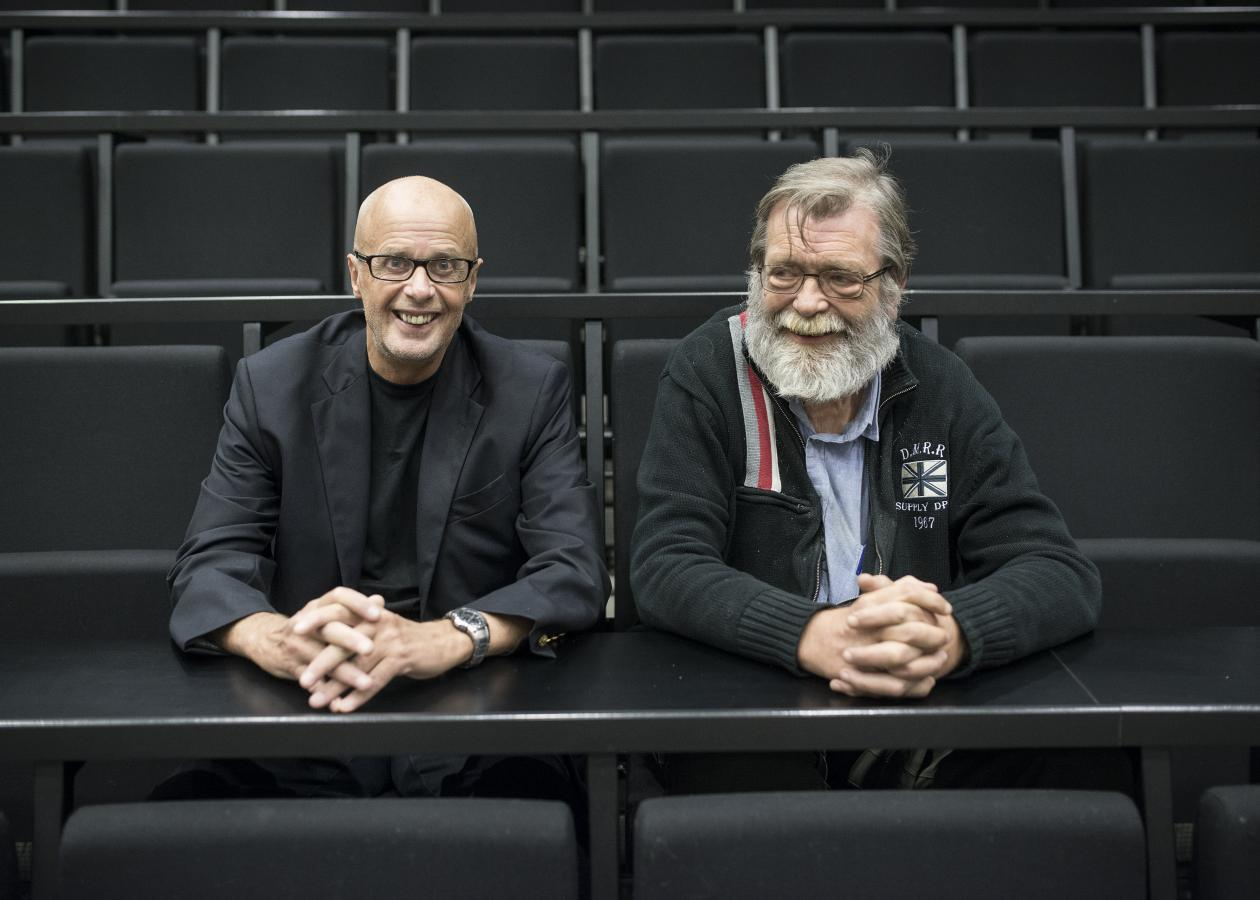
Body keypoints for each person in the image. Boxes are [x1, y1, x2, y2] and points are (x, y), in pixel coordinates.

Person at [630, 152, 1114, 791]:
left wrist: (951, 633)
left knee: (1084, 760)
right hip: (754, 702)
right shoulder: (707, 372)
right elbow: (665, 567)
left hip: (912, 707)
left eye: (840, 279)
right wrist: (812, 633)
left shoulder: (940, 385)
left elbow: (1057, 571)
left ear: (894, 285)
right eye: (784, 273)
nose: (806, 303)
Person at [162, 175, 608, 798]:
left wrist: (450, 636)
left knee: (543, 817)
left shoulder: (531, 389)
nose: (420, 289)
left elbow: (575, 567)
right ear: (356, 275)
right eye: (395, 262)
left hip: (470, 705)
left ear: (472, 281)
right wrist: (275, 639)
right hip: (312, 694)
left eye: (445, 265)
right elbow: (209, 562)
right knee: (181, 810)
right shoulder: (271, 384)